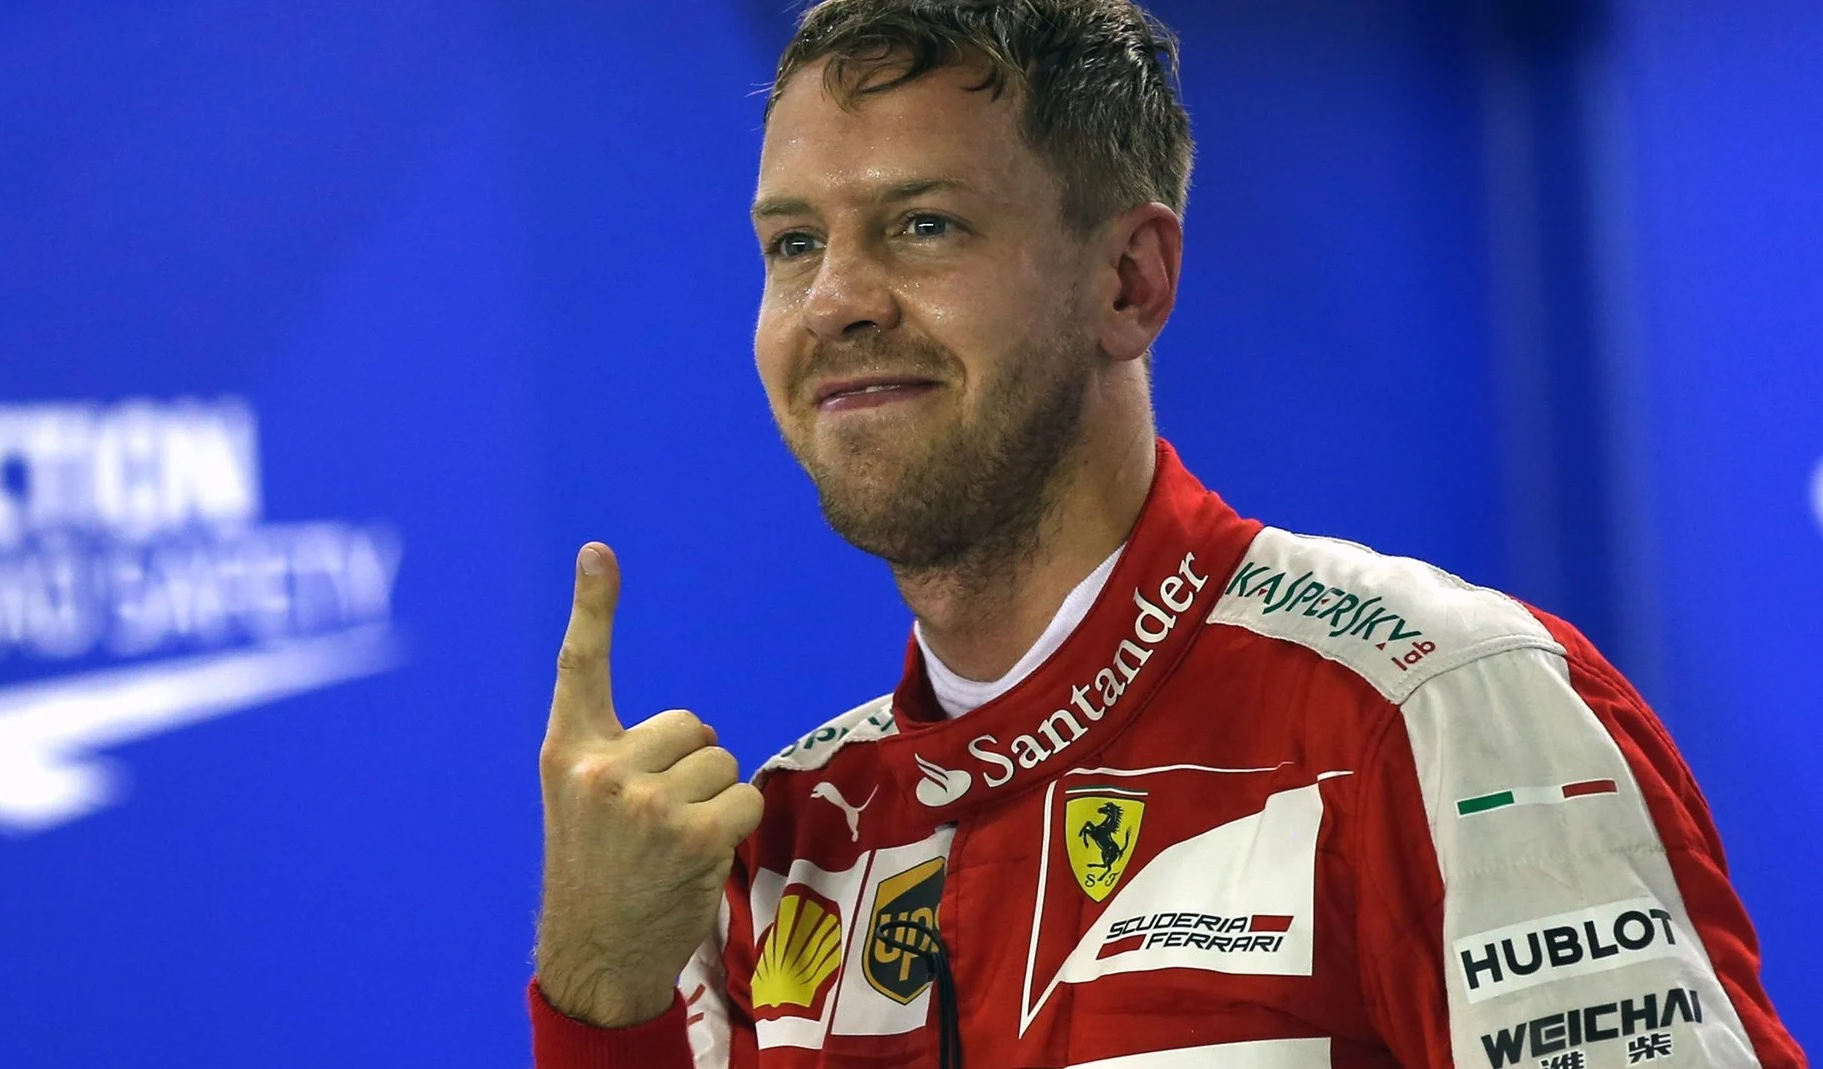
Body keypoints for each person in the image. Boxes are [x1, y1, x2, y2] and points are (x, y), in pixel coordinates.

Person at [528, 1, 1804, 1067]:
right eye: (792, 242)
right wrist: (599, 989)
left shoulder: (1436, 712)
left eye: (924, 225)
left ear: (1129, 280)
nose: (837, 301)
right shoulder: (789, 838)